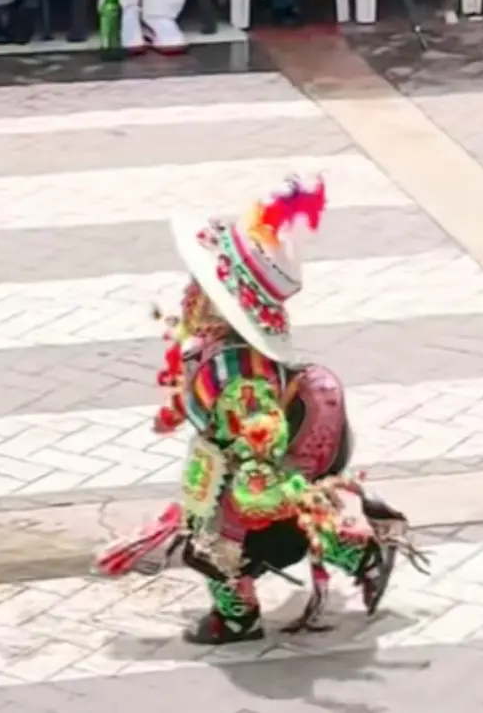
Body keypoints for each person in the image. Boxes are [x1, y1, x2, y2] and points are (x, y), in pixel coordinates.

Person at [97, 178, 424, 645]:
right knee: (215, 534)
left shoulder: (241, 381)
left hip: (258, 474)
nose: (190, 289)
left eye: (202, 284)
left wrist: (246, 499)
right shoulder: (212, 346)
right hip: (233, 462)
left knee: (215, 546)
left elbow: (259, 464)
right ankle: (353, 555)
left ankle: (244, 617)